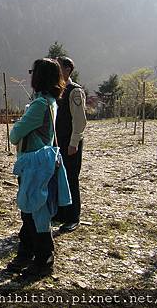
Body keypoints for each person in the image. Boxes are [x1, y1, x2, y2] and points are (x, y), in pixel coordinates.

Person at [7, 58, 71, 278]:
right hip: (43, 160)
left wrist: (19, 123)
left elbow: (15, 134)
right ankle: (26, 252)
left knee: (35, 210)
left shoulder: (39, 104)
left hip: (33, 163)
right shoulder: (51, 102)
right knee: (32, 210)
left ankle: (43, 258)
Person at [54, 56, 87, 233]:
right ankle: (60, 213)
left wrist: (74, 142)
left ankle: (73, 217)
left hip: (70, 142)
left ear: (67, 69)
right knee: (59, 177)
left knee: (71, 179)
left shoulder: (75, 91)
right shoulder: (58, 89)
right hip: (58, 141)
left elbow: (80, 121)